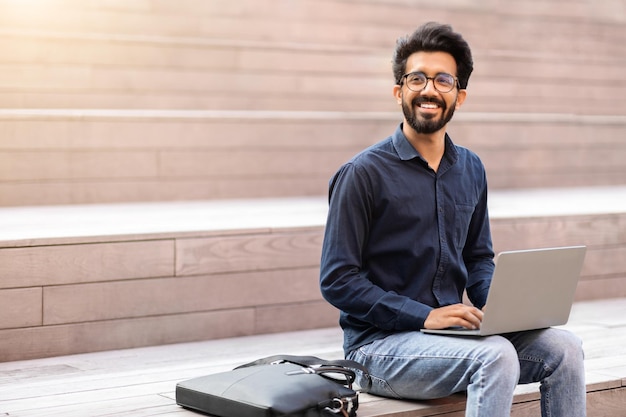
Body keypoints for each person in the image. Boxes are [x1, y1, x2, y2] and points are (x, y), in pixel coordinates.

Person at [319, 22, 586, 417]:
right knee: (495, 356)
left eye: (443, 80)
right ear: (399, 92)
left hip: (450, 338)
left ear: (459, 96)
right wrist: (423, 315)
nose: (429, 89)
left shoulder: (471, 169)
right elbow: (337, 280)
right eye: (417, 79)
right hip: (378, 349)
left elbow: (478, 259)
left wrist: (503, 306)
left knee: (565, 348)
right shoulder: (362, 174)